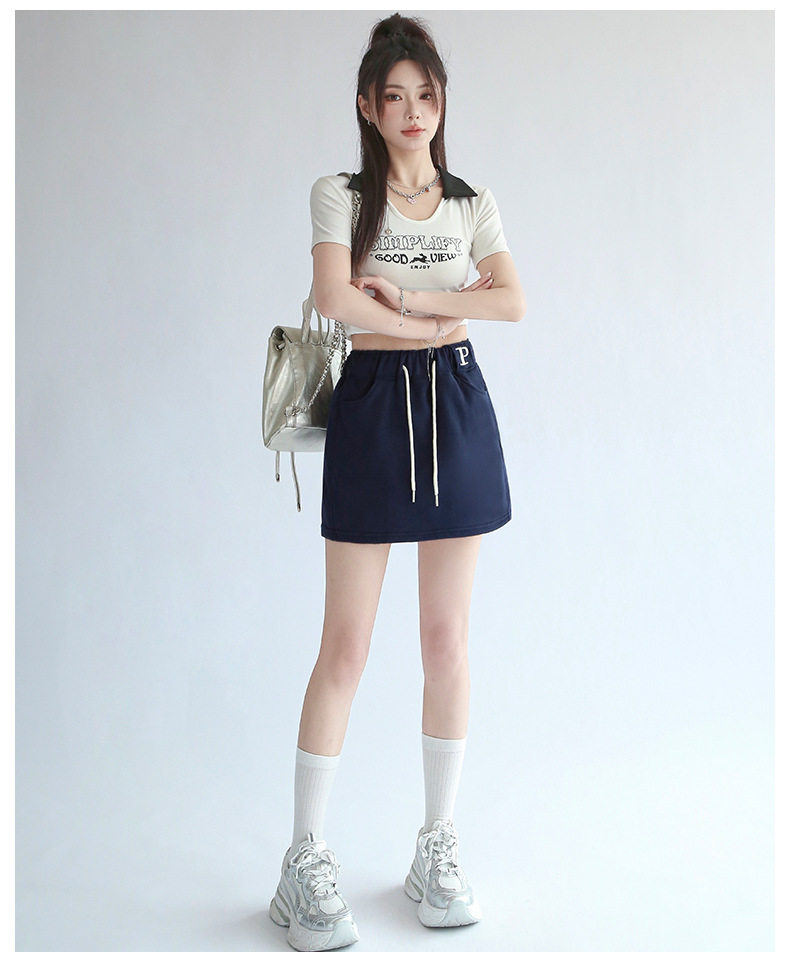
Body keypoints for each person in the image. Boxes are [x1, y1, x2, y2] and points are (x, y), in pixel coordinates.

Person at [269, 13, 526, 951]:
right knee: (345, 643)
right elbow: (334, 298)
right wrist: (438, 323)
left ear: (441, 102)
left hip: (455, 406)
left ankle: (436, 844)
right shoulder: (341, 194)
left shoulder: (471, 200)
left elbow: (512, 300)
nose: (414, 110)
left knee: (446, 639)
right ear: (368, 108)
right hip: (375, 407)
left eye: (427, 94)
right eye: (395, 96)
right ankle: (302, 861)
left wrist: (412, 303)